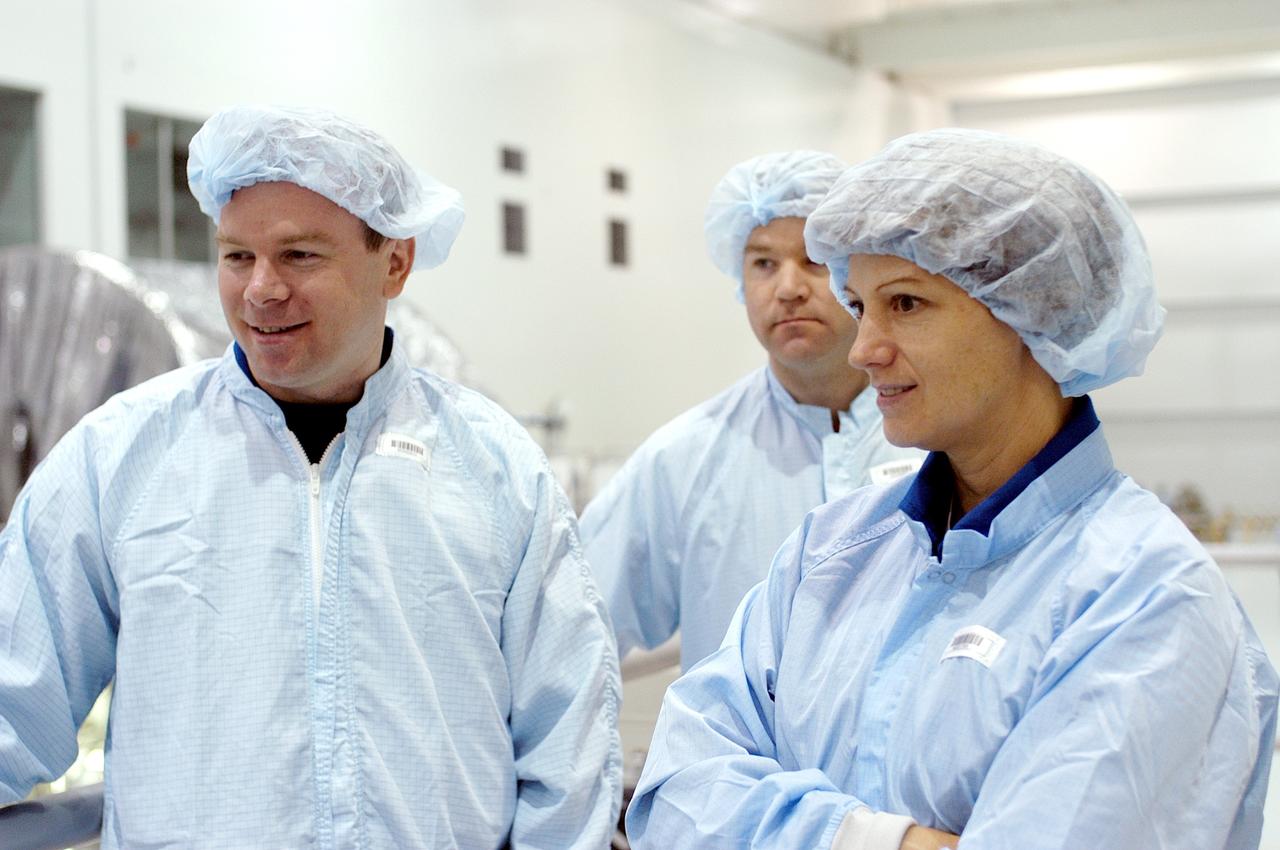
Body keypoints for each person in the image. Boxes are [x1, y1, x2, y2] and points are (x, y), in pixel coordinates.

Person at [626, 128, 1278, 850]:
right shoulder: (831, 551)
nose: (867, 347)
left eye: (904, 304)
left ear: (1033, 310)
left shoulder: (1144, 596)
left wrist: (772, 820)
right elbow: (675, 793)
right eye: (860, 304)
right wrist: (890, 842)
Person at [0, 105, 621, 849]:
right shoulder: (120, 458)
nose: (261, 289)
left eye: (299, 256)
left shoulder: (492, 467)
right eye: (236, 257)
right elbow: (14, 695)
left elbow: (569, 742)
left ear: (395, 261)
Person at [580, 151, 922, 673]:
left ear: (860, 276)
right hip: (738, 757)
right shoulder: (684, 460)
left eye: (812, 259)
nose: (787, 289)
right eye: (763, 263)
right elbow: (571, 633)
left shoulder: (940, 439)